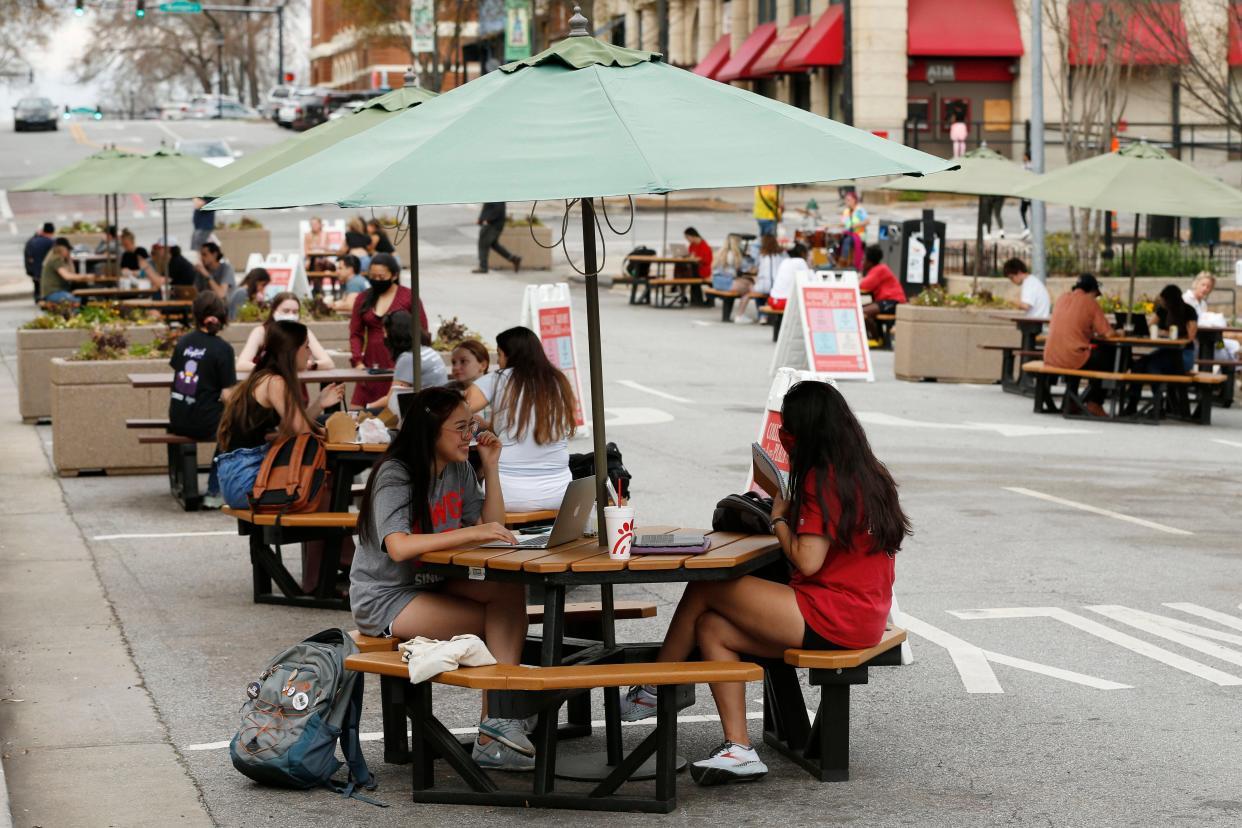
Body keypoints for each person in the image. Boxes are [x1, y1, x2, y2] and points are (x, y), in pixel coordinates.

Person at [618, 380, 910, 786]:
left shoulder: (821, 480)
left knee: (707, 586)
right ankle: (739, 749)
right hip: (862, 614)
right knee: (711, 628)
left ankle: (655, 686)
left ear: (806, 432)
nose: (784, 437)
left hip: (833, 615)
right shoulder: (867, 472)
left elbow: (808, 560)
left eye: (787, 430)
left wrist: (777, 517)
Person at [349, 385, 532, 771]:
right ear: (430, 430)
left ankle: (500, 718)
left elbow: (492, 526)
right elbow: (398, 546)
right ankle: (499, 720)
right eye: (461, 428)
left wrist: (492, 465)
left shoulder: (459, 468)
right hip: (387, 597)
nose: (470, 435)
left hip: (433, 581)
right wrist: (472, 533)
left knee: (509, 592)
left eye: (473, 425)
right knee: (501, 621)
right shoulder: (395, 473)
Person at [215, 320, 344, 508]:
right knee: (323, 487)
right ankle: (333, 535)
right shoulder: (275, 382)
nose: (309, 353)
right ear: (292, 350)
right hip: (248, 480)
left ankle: (328, 535)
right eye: (306, 346)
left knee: (320, 488)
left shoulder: (263, 376)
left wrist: (318, 404)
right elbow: (302, 432)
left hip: (237, 475)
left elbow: (292, 425)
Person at [465, 326, 576, 512]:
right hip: (561, 493)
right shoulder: (558, 381)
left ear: (511, 355)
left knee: (471, 476)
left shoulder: (499, 378)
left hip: (507, 494)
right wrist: (490, 427)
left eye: (499, 355)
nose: (498, 362)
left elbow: (456, 409)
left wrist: (473, 423)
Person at [168, 292, 237, 509]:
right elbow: (227, 395)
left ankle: (185, 483)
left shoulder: (183, 342)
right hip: (204, 421)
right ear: (222, 318)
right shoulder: (223, 349)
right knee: (234, 428)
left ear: (196, 316)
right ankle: (214, 492)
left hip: (177, 417)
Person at [349, 253, 428, 407]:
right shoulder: (363, 298)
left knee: (392, 409)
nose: (376, 280)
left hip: (400, 362)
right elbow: (355, 333)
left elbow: (422, 329)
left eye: (381, 276)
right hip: (370, 364)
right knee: (358, 412)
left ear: (394, 275)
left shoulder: (408, 297)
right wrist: (358, 361)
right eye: (372, 276)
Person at [1045, 274, 1118, 417]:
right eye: (1096, 294)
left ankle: (1070, 401)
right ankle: (1095, 402)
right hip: (1071, 358)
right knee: (1111, 357)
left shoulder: (1062, 298)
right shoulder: (1090, 302)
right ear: (1092, 290)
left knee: (1080, 352)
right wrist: (1120, 333)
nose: (1096, 298)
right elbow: (1108, 334)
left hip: (1051, 356)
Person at [361, 310, 450, 416]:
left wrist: (368, 407)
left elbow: (392, 400)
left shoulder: (408, 358)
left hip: (426, 413)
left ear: (394, 335)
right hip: (440, 407)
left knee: (362, 414)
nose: (384, 337)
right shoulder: (427, 350)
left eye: (385, 333)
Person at [236, 291, 336, 371]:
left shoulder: (303, 332)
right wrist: (272, 368)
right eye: (286, 311)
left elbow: (328, 363)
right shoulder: (261, 332)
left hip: (297, 387)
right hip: (269, 385)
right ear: (274, 311)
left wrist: (311, 365)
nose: (291, 315)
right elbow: (241, 364)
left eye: (295, 312)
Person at [1184, 272, 1239, 359]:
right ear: (1196, 284)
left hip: (1212, 339)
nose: (1205, 289)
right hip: (1197, 341)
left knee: (1234, 345)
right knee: (1224, 355)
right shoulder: (1186, 300)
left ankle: (1233, 370)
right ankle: (1231, 370)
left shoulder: (1203, 304)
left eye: (1208, 287)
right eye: (1203, 285)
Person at [859, 245, 907, 341]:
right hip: (886, 301)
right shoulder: (876, 269)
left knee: (861, 311)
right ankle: (878, 338)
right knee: (862, 311)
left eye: (864, 260)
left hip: (893, 302)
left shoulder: (880, 269)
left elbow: (863, 285)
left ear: (869, 261)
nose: (862, 263)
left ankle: (877, 340)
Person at [736, 234, 786, 324]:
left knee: (755, 290)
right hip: (777, 285)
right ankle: (765, 316)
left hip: (764, 285)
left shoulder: (761, 255)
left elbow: (755, 268)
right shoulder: (782, 254)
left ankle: (762, 316)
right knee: (762, 290)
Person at [474, 202, 521, 274]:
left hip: (493, 224)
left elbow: (496, 209)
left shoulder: (494, 194)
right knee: (494, 244)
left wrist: (485, 219)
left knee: (483, 244)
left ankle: (483, 267)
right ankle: (513, 259)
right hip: (496, 223)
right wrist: (481, 219)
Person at [39, 237, 87, 305]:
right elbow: (67, 276)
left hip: (56, 292)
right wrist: (86, 276)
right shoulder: (56, 259)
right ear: (62, 249)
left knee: (80, 298)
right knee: (76, 301)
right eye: (68, 250)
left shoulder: (59, 259)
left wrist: (69, 260)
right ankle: (74, 315)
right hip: (53, 293)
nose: (69, 252)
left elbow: (72, 273)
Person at [766, 242, 811, 313]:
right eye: (807, 254)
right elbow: (810, 281)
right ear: (802, 253)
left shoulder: (785, 261)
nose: (808, 256)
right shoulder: (800, 261)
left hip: (773, 300)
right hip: (785, 302)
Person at [23, 221, 55, 303]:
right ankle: (42, 298)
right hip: (41, 269)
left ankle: (38, 298)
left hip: (33, 269)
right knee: (41, 286)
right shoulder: (50, 242)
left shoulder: (32, 241)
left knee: (37, 286)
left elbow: (29, 256)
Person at [840, 190, 868, 270]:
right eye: (846, 200)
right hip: (849, 234)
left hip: (859, 235)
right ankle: (838, 258)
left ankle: (844, 261)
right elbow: (843, 223)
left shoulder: (860, 210)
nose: (847, 201)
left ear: (854, 200)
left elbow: (867, 221)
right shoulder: (846, 211)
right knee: (839, 239)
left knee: (847, 240)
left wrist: (856, 225)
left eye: (849, 200)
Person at [1019, 152, 1033, 240]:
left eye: (1024, 156)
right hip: (1026, 192)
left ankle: (1027, 228)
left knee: (1023, 210)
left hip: (1028, 192)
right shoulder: (1028, 166)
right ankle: (1027, 228)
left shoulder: (1028, 166)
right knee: (1024, 210)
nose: (1023, 158)